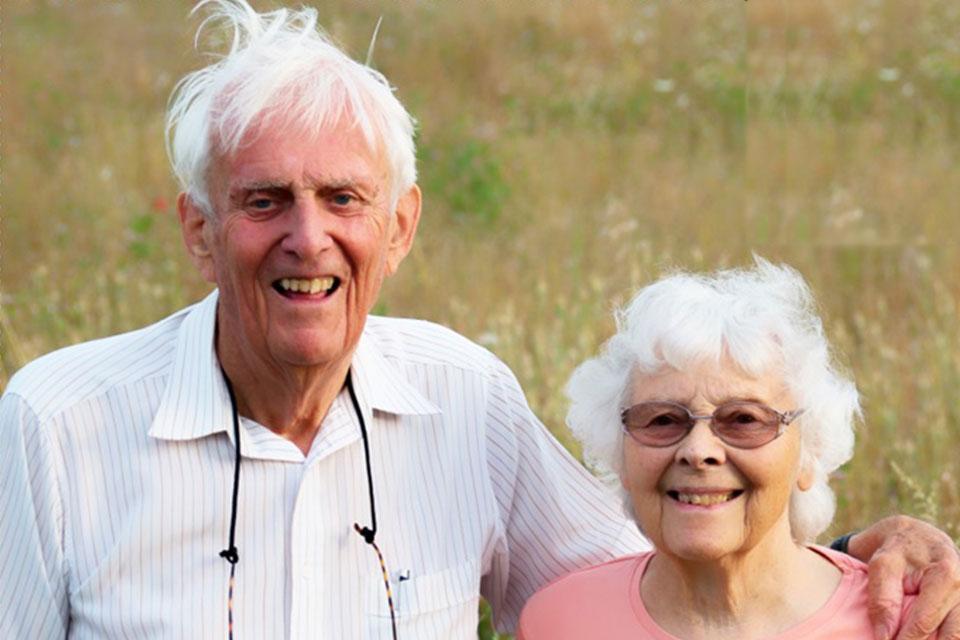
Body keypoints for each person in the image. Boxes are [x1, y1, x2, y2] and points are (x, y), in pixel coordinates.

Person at [0, 2, 957, 638]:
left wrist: (868, 563)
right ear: (200, 232)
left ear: (401, 227)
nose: (308, 237)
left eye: (344, 198)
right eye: (263, 202)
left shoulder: (463, 399)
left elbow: (672, 566)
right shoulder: (59, 423)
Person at [518, 261, 955, 639]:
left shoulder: (912, 620)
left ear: (809, 452)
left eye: (744, 420)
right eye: (662, 420)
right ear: (622, 457)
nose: (697, 450)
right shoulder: (559, 622)